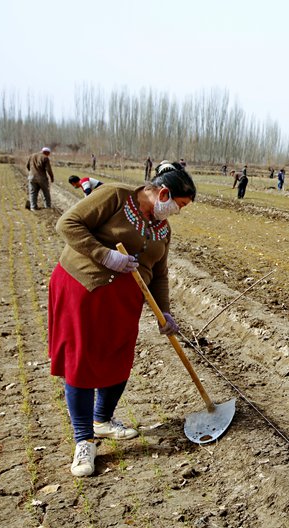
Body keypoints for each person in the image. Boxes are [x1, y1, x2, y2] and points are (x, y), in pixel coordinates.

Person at [49, 161, 196, 477]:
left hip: (124, 303)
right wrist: (104, 255)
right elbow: (68, 223)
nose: (177, 212)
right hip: (83, 289)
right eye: (178, 205)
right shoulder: (115, 196)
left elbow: (159, 273)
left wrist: (164, 311)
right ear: (164, 192)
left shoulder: (163, 229)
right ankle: (84, 440)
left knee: (119, 360)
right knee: (82, 362)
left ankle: (102, 420)